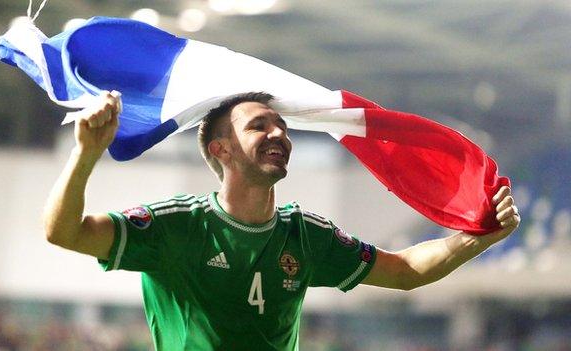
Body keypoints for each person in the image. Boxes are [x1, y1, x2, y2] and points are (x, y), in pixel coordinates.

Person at [43, 91, 520, 350]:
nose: (278, 133)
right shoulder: (175, 226)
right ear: (221, 150)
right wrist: (87, 154)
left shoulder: (306, 236)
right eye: (259, 126)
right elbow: (63, 232)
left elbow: (405, 271)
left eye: (282, 126)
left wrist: (479, 237)